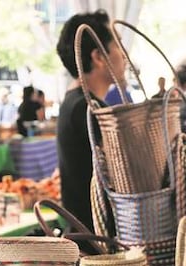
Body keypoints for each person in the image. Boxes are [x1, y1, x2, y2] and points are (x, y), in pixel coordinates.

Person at [55, 10, 126, 232]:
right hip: (98, 244)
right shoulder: (88, 109)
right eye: (118, 46)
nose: (124, 55)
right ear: (98, 57)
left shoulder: (74, 102)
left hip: (86, 235)